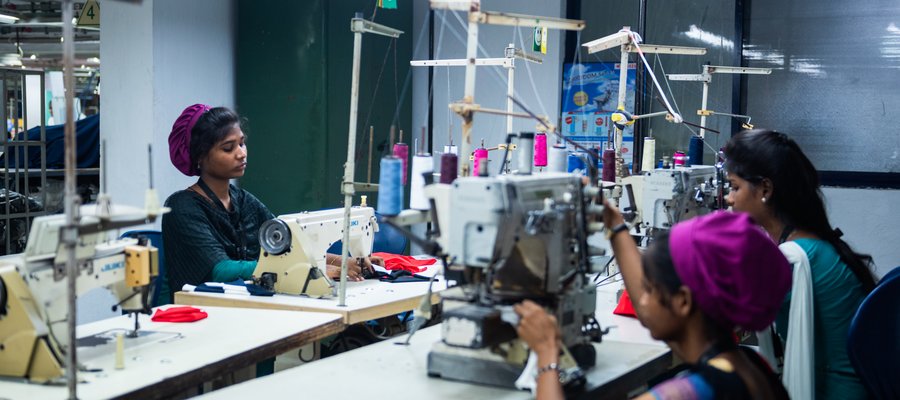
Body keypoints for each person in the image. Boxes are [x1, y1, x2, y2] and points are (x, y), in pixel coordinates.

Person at [515, 211, 792, 400]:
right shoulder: (751, 366)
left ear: (683, 301)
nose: (640, 301)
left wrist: (546, 355)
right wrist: (615, 224)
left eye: (648, 289)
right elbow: (648, 310)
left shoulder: (695, 391)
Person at [162, 104, 381, 296]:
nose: (241, 153)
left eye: (242, 143)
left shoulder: (245, 202)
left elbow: (292, 246)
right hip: (200, 314)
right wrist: (308, 269)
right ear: (199, 156)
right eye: (229, 148)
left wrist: (346, 262)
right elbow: (220, 270)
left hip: (244, 307)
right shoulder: (182, 208)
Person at [724, 129, 875, 400]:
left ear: (765, 190)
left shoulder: (793, 259)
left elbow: (718, 322)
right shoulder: (814, 243)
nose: (728, 198)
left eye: (735, 187)